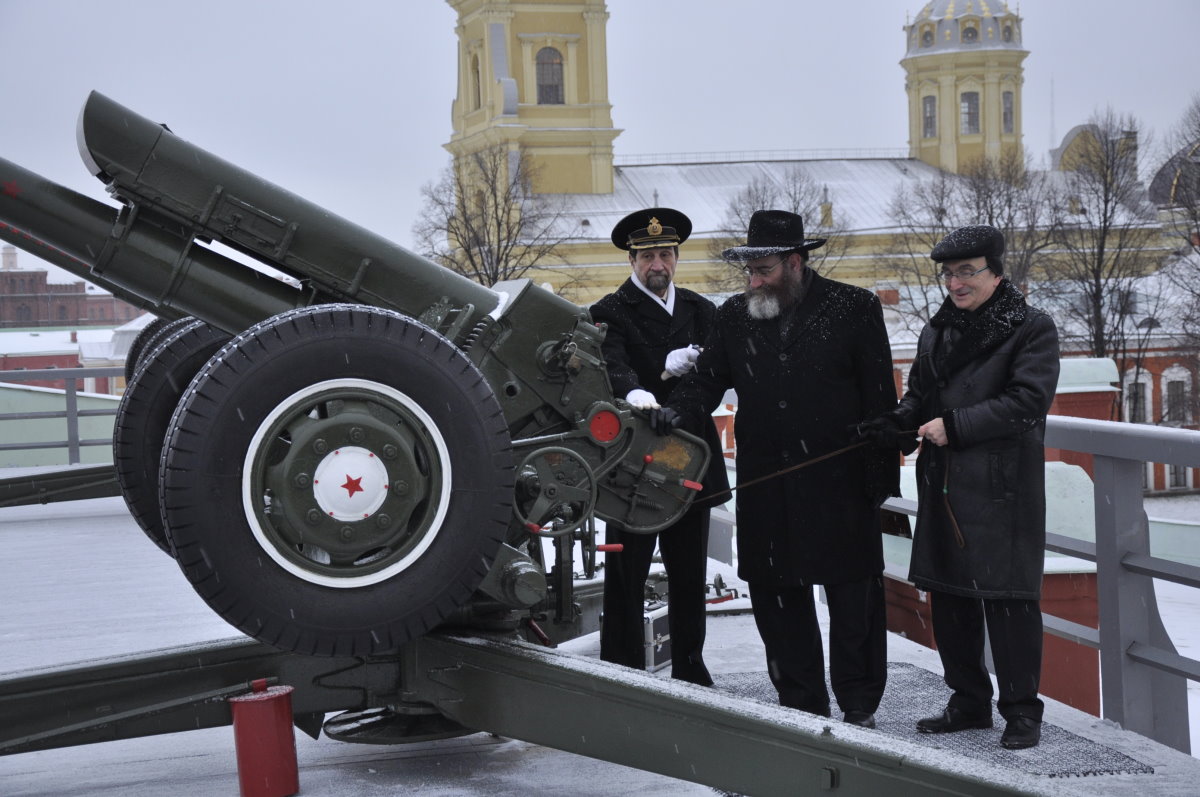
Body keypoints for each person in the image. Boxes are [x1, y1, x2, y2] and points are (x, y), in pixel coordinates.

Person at [662, 209, 899, 727]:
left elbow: (882, 398)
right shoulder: (735, 315)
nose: (753, 281)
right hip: (768, 484)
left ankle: (859, 703)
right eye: (749, 270)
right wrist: (677, 410)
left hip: (842, 484)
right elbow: (706, 382)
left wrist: (881, 483)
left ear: (795, 263)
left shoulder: (853, 307)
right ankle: (801, 701)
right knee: (777, 598)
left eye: (763, 270)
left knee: (853, 599)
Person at [856, 224, 1060, 749]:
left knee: (1009, 600)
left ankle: (1021, 712)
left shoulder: (1032, 328)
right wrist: (897, 425)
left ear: (996, 271)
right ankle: (968, 702)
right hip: (944, 484)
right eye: (949, 273)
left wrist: (957, 425)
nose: (956, 283)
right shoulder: (937, 331)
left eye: (967, 272)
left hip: (1002, 487)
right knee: (950, 598)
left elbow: (1027, 401)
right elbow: (921, 396)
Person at [590, 207, 730, 686]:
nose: (658, 264)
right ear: (632, 260)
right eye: (648, 255)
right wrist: (646, 389)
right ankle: (623, 668)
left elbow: (716, 373)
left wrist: (684, 391)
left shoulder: (700, 310)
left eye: (666, 255)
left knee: (689, 570)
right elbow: (610, 369)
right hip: (632, 461)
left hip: (690, 454)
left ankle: (691, 663)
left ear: (676, 258)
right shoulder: (609, 311)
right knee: (626, 572)